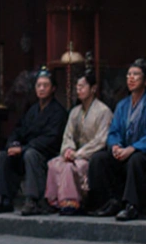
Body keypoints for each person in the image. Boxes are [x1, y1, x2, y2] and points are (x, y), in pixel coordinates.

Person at [87, 59, 146, 221]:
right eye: (129, 75)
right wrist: (116, 145)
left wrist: (133, 148)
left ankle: (132, 205)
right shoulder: (122, 105)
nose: (131, 78)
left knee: (136, 160)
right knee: (98, 159)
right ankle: (109, 202)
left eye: (136, 75)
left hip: (144, 154)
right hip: (123, 151)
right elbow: (114, 130)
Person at [0, 68, 68, 216]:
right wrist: (13, 144)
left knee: (31, 154)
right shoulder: (32, 110)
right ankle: (3, 198)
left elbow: (51, 139)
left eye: (45, 85)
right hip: (26, 150)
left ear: (53, 88)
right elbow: (19, 130)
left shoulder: (58, 112)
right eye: (38, 85)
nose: (41, 89)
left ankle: (33, 200)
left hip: (45, 154)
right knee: (6, 155)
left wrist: (23, 149)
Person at [44, 72, 112, 215]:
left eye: (82, 86)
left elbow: (101, 140)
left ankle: (71, 203)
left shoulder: (103, 111)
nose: (78, 90)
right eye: (77, 87)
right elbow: (68, 135)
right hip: (75, 153)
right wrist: (68, 150)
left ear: (93, 88)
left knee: (70, 168)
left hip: (91, 155)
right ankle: (54, 201)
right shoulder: (75, 112)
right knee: (55, 163)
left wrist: (79, 154)